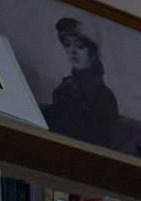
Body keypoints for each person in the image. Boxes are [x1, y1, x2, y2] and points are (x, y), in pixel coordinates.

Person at [45, 18, 120, 150]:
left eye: (80, 46)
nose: (72, 51)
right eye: (68, 44)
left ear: (94, 54)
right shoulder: (64, 89)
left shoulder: (103, 97)